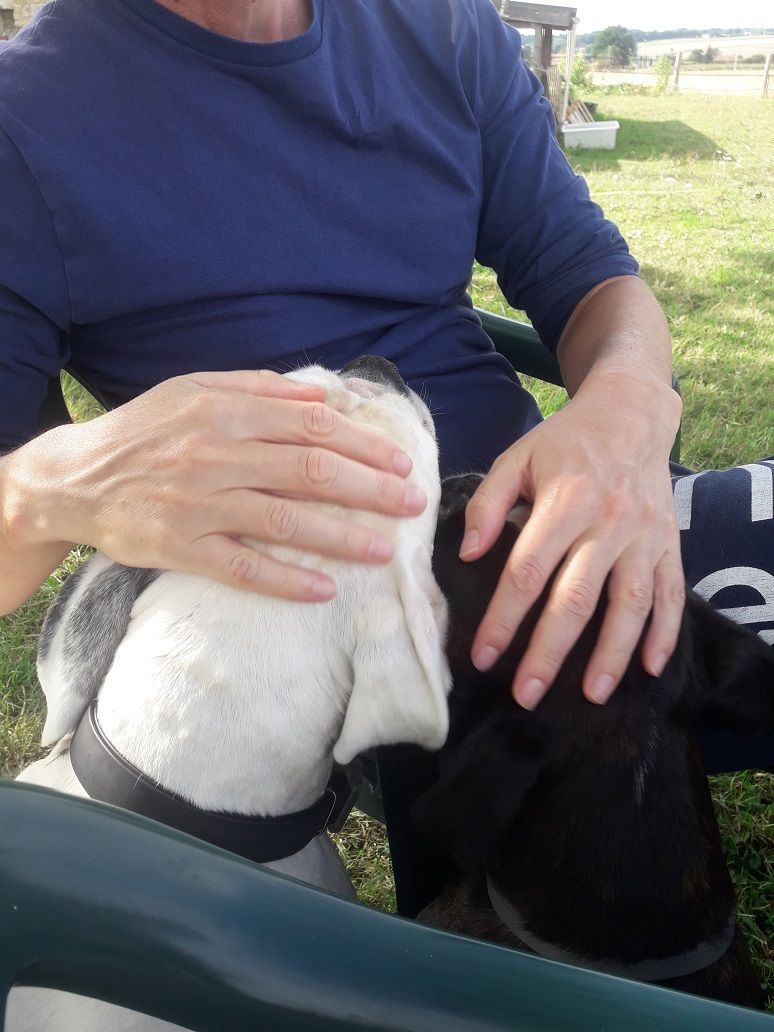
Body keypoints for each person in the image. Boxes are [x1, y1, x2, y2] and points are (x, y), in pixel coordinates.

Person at [0, 0, 766, 734]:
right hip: (342, 618)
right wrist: (51, 489)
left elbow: (591, 277)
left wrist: (627, 402)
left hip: (550, 511)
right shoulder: (24, 120)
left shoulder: (444, 24)